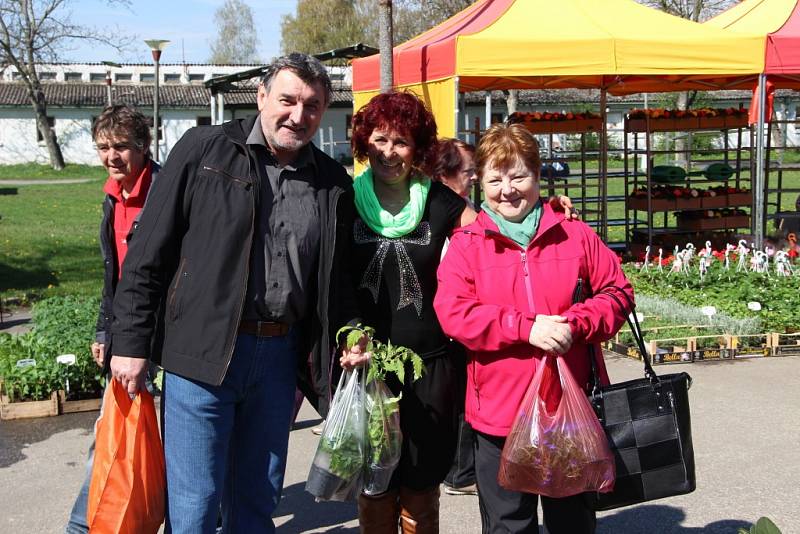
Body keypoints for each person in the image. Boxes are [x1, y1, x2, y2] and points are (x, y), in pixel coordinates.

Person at [107, 53, 363, 533]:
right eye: (287, 100)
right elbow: (148, 252)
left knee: (256, 499)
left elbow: (338, 279)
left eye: (312, 106)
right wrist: (130, 343)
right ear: (262, 96)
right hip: (200, 353)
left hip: (277, 359)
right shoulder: (204, 149)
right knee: (195, 504)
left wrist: (350, 335)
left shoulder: (331, 182)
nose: (298, 115)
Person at [433, 122, 634, 534]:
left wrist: (575, 325)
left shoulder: (574, 235)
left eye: (519, 176)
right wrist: (525, 328)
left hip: (567, 410)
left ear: (539, 176)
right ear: (479, 183)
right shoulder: (467, 245)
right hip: (499, 417)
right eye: (494, 179)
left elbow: (618, 292)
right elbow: (452, 312)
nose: (507, 190)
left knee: (571, 523)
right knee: (509, 525)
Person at [64, 104, 160, 534]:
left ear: (143, 146)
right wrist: (105, 329)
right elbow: (114, 275)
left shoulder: (162, 192)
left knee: (168, 443)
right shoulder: (111, 196)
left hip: (164, 337)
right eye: (103, 148)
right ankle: (89, 524)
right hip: (124, 335)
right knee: (112, 436)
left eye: (121, 146)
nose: (112, 157)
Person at [429, 138, 478, 497]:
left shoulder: (461, 206)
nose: (474, 177)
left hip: (457, 320)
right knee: (460, 397)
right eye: (468, 171)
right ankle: (460, 473)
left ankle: (456, 469)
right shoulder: (446, 213)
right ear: (445, 175)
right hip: (452, 322)